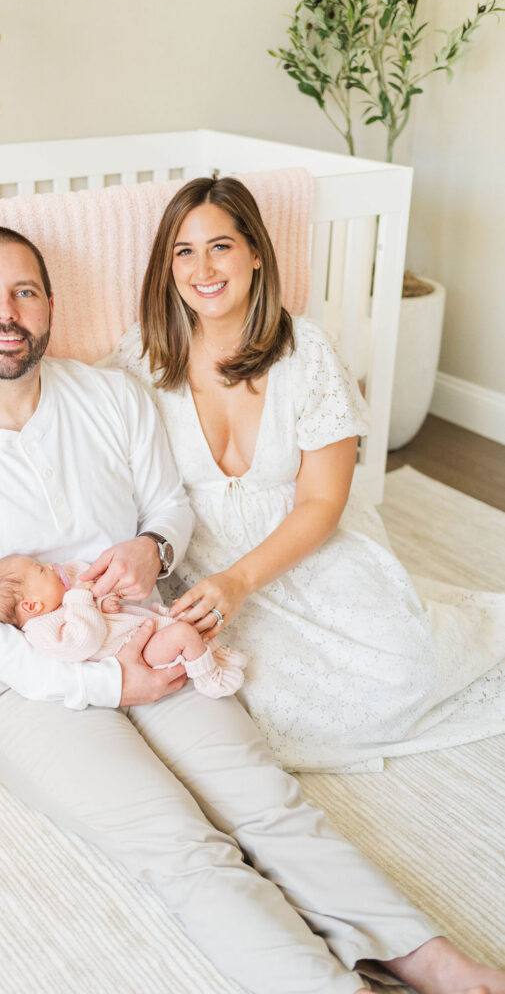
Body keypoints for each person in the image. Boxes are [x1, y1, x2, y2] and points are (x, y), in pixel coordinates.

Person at [0, 225, 504, 994]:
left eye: (24, 292)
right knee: (180, 845)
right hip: (17, 683)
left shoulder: (107, 396)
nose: (5, 312)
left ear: (48, 308)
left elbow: (167, 507)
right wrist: (108, 690)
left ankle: (426, 957)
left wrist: (153, 550)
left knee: (265, 801)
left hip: (143, 631)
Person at [107, 175, 505, 775]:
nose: (202, 268)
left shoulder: (307, 351)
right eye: (183, 252)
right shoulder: (141, 357)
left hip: (300, 544)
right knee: (250, 698)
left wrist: (241, 583)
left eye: (221, 246)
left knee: (408, 667)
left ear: (256, 253)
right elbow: (75, 421)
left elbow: (323, 500)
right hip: (201, 561)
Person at [0, 553, 246, 698]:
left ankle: (208, 653)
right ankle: (208, 677)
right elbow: (85, 641)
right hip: (138, 657)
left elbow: (94, 618)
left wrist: (102, 604)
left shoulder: (62, 602)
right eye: (41, 571)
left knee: (181, 618)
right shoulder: (42, 630)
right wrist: (81, 596)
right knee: (182, 633)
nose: (49, 566)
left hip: (139, 631)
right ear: (32, 606)